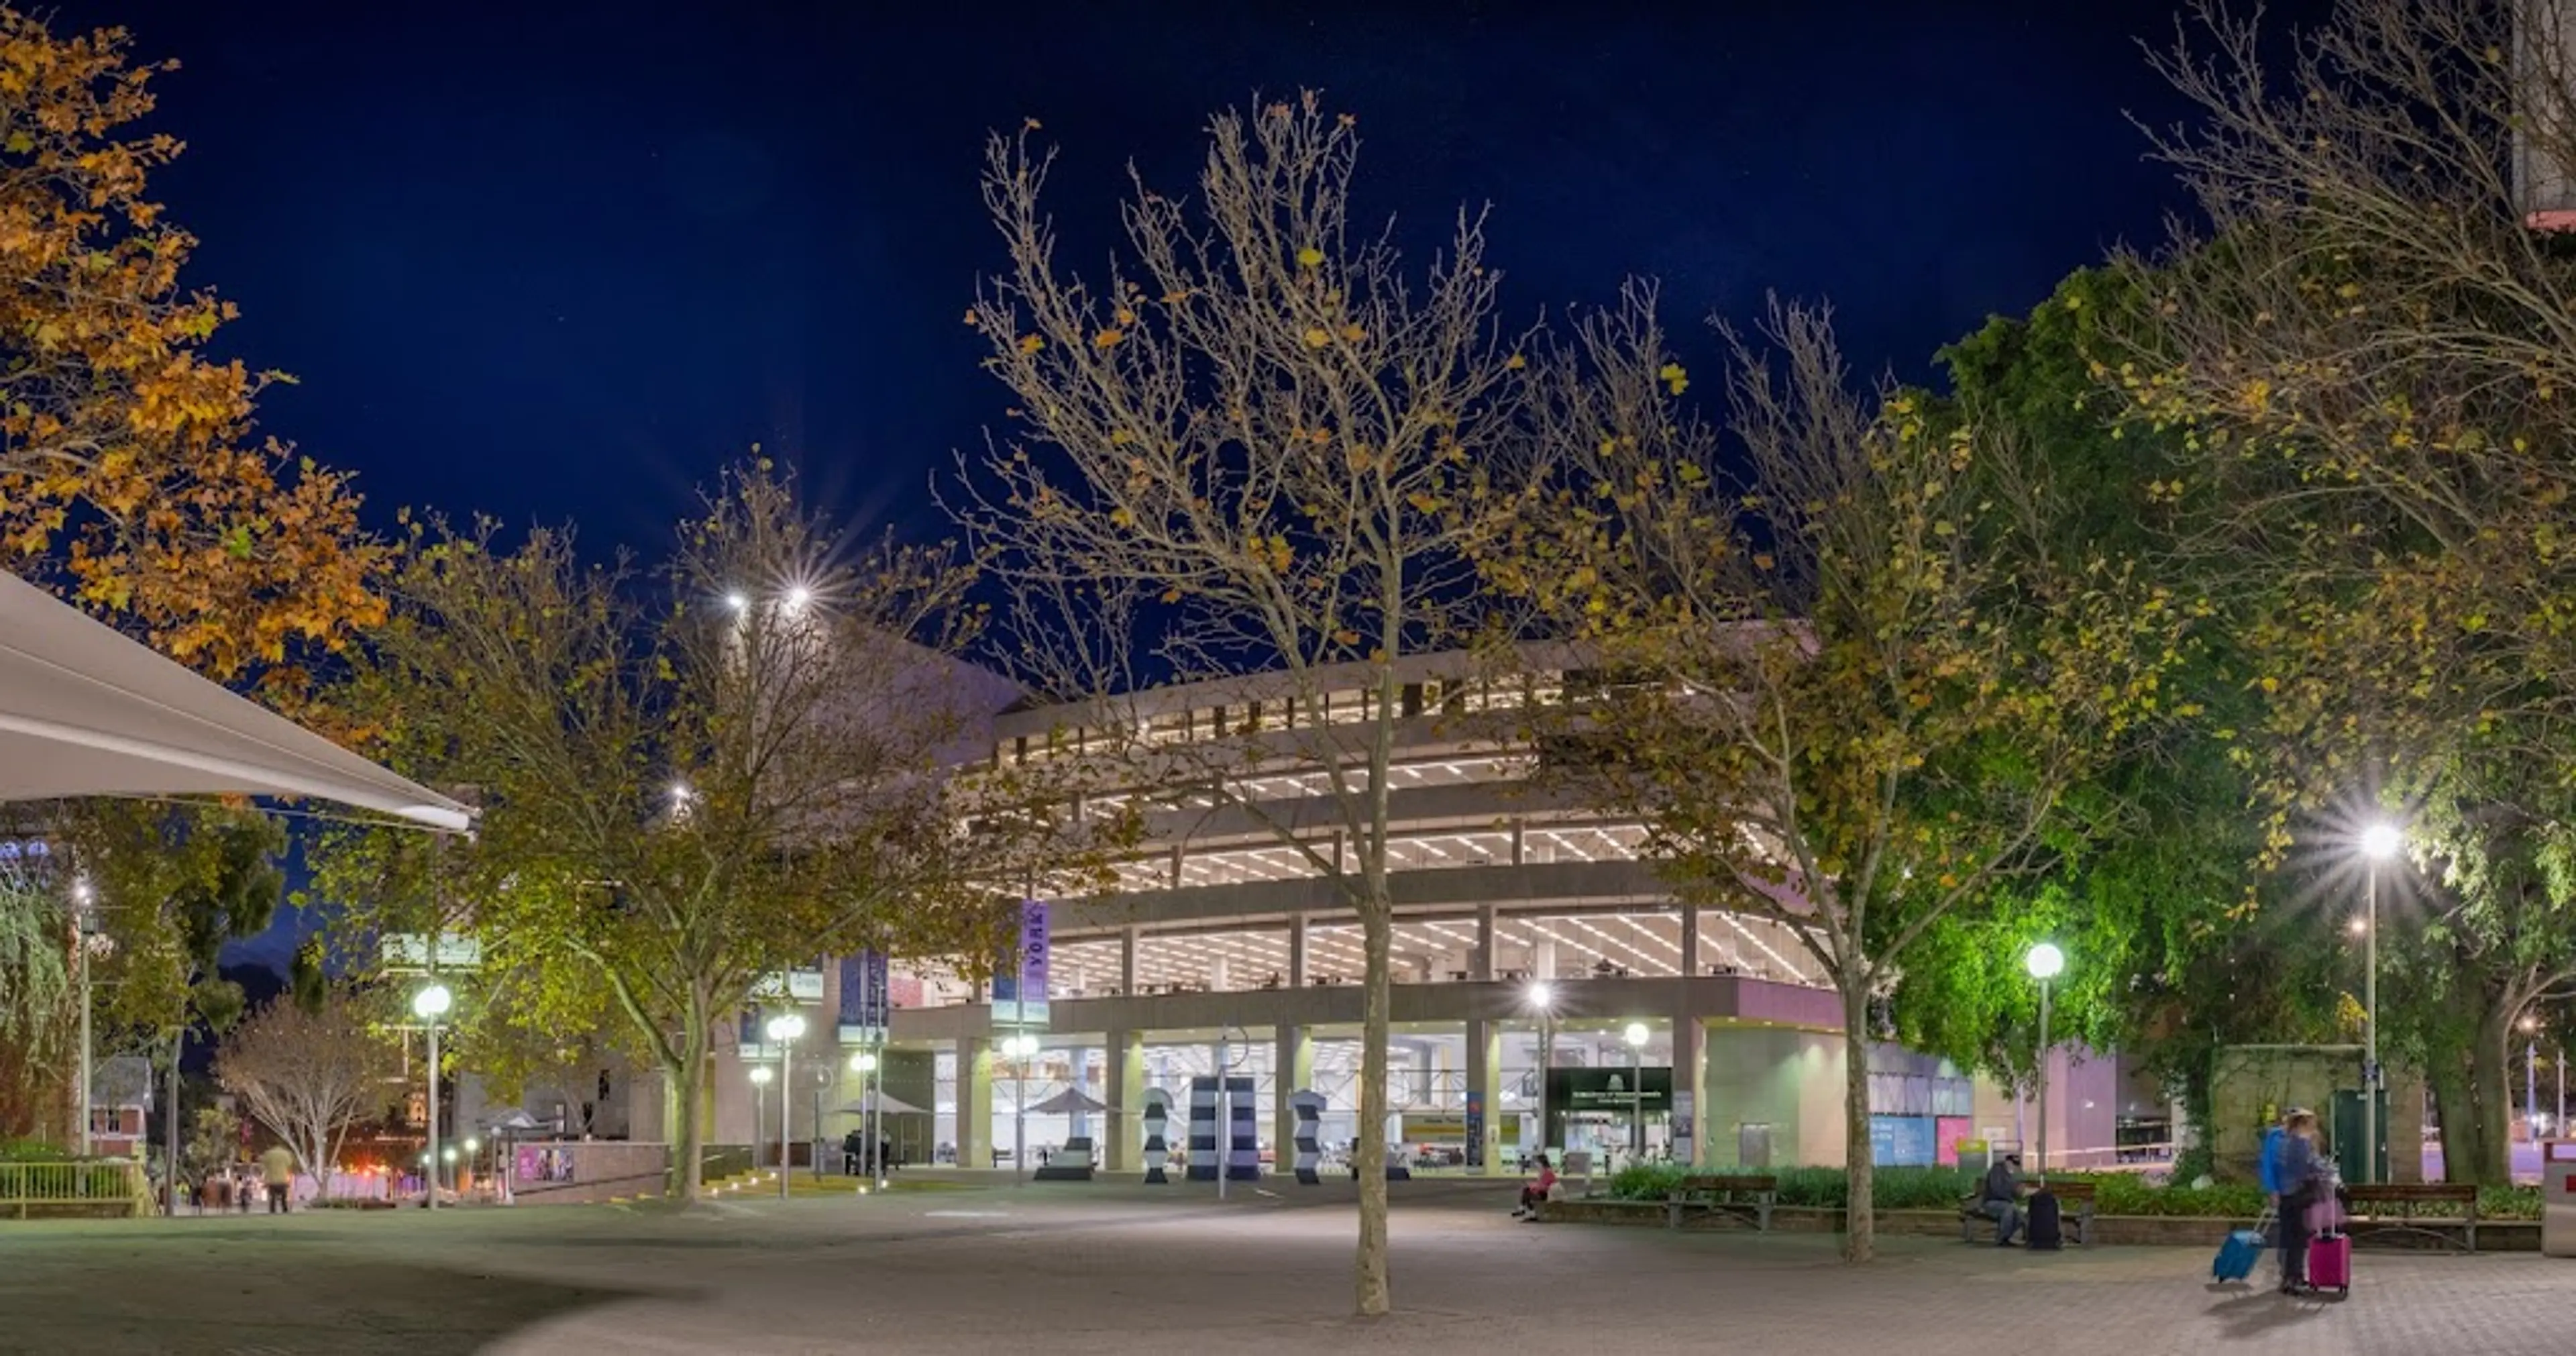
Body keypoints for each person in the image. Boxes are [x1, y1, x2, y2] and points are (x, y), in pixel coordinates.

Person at [2275, 1110, 2333, 1295]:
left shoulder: (2283, 1143)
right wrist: (2325, 1171)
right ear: (2302, 1125)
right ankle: (2294, 1278)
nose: (2313, 1128)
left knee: (2289, 1237)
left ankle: (2290, 1277)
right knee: (2298, 1239)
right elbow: (2309, 1167)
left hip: (2286, 1195)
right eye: (2311, 1124)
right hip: (2299, 1195)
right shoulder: (2300, 1144)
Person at [1973, 1151, 2025, 1245]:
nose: (2014, 1167)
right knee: (2009, 1209)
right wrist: (2011, 1198)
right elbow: (1996, 1190)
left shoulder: (2010, 1175)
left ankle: (2006, 1236)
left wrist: (2019, 1191)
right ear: (2007, 1162)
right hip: (1992, 1202)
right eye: (2013, 1164)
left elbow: (2013, 1192)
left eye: (2016, 1165)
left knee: (2021, 1216)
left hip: (2006, 1203)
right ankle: (2002, 1238)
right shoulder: (1996, 1170)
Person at [1512, 1153, 1557, 1220]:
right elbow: (1540, 1184)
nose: (1536, 1164)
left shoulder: (1547, 1173)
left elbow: (1544, 1187)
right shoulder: (1544, 1171)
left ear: (1541, 1163)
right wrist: (1532, 1185)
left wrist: (1533, 1187)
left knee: (1527, 1193)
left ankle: (1527, 1212)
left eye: (1537, 1162)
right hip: (1541, 1192)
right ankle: (1524, 1210)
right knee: (1527, 1190)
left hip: (1545, 1194)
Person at [259, 1143, 296, 1214]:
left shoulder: (269, 1154)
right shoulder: (286, 1154)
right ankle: (284, 1209)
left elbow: (263, 1164)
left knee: (272, 1197)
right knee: (283, 1198)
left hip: (272, 1180)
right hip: (283, 1179)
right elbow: (289, 1164)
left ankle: (272, 1210)